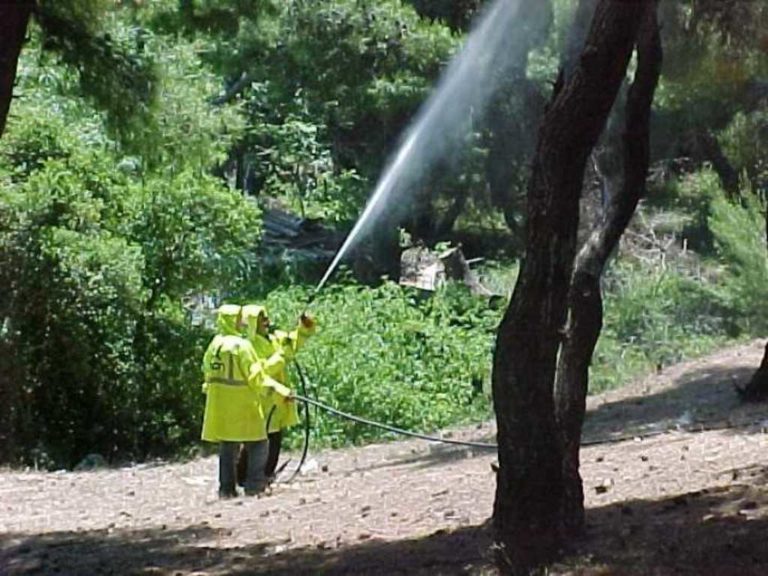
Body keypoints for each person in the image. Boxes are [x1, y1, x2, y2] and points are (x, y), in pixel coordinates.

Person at [201, 304, 271, 498]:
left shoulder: (214, 345)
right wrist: (276, 391)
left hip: (220, 405)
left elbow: (206, 371)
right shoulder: (242, 346)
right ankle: (255, 485)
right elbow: (255, 375)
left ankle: (226, 489)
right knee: (259, 443)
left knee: (227, 446)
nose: (242, 322)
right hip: (243, 404)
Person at [240, 304, 316, 480]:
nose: (267, 321)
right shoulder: (249, 347)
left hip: (278, 399)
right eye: (261, 319)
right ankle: (245, 477)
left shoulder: (276, 339)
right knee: (258, 440)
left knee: (275, 438)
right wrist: (282, 355)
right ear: (252, 323)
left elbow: (295, 342)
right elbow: (263, 370)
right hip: (263, 399)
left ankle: (266, 475)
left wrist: (304, 326)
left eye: (266, 317)